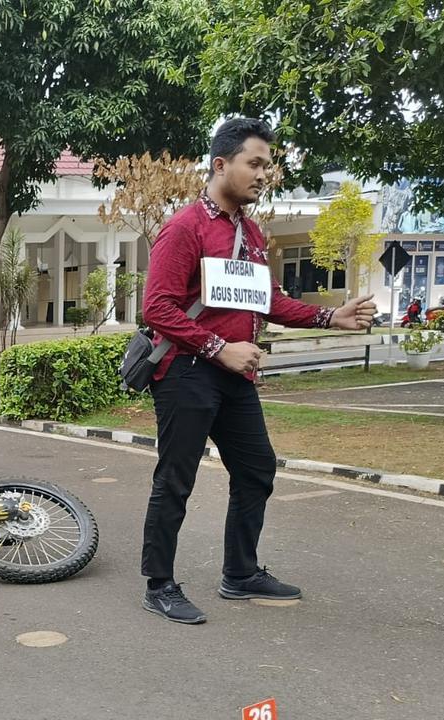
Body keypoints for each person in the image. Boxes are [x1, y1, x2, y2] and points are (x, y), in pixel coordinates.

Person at [139, 118, 376, 625]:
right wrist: (220, 347)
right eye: (255, 163)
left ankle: (240, 573)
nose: (264, 174)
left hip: (233, 376)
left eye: (268, 165)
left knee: (256, 470)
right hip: (186, 372)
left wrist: (330, 317)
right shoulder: (185, 228)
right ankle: (160, 584)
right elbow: (156, 308)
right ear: (221, 164)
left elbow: (266, 301)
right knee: (176, 479)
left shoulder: (249, 231)